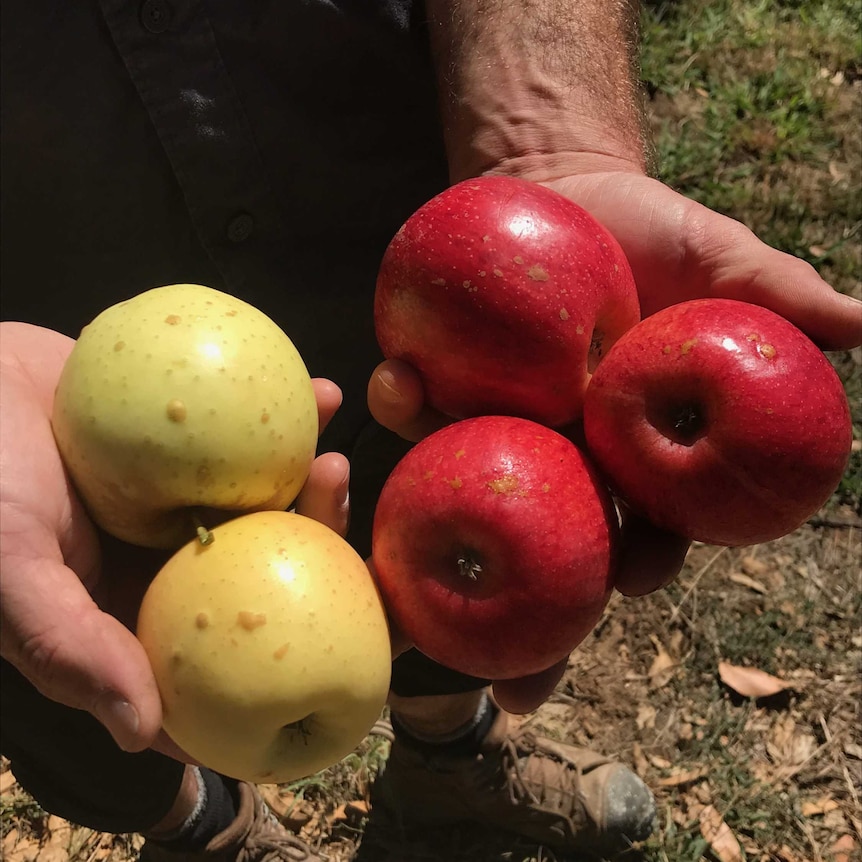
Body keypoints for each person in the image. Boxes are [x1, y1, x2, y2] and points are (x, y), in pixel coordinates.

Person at [1, 1, 859, 860]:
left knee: (439, 552)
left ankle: (449, 761)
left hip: (428, 255)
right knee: (72, 666)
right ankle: (209, 835)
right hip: (37, 355)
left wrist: (543, 145)